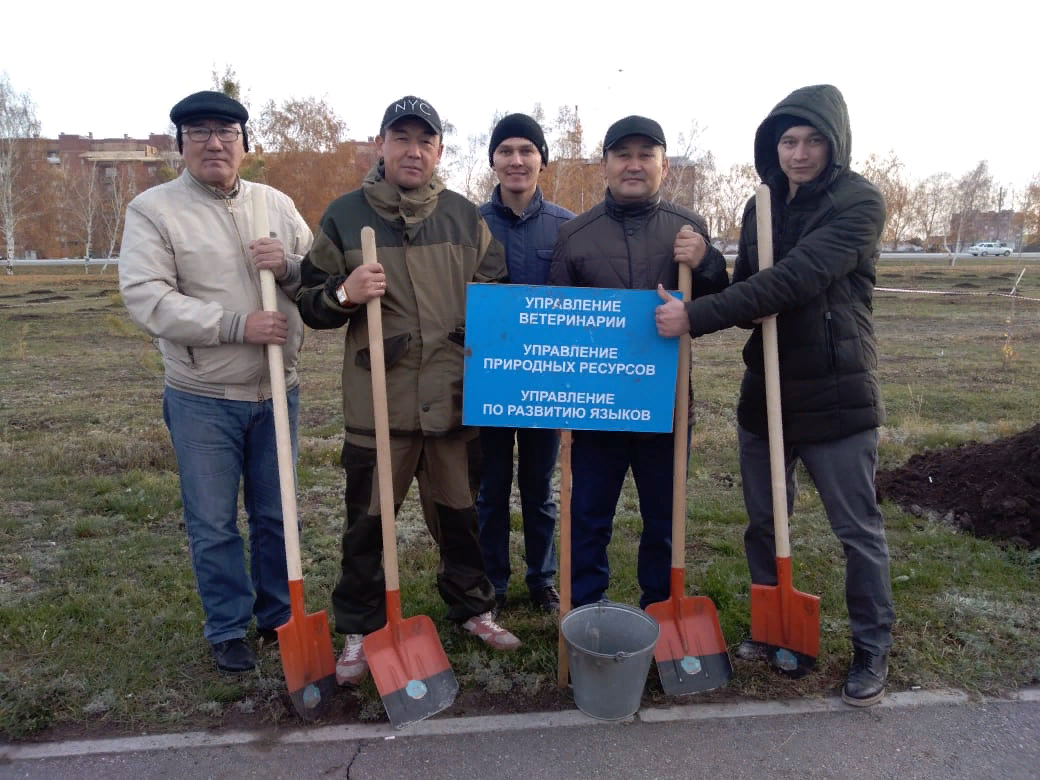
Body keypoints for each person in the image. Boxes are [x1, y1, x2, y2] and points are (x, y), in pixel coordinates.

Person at [654, 84, 894, 707]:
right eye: (788, 140)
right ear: (772, 146)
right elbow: (747, 292)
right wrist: (708, 264)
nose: (799, 153)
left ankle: (873, 646)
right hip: (766, 390)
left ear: (834, 143)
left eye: (813, 140)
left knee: (855, 528)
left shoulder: (860, 203)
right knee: (765, 521)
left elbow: (793, 280)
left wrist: (695, 317)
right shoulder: (759, 204)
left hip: (836, 394)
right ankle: (772, 623)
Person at [294, 95, 521, 688]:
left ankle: (473, 609)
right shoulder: (345, 216)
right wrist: (343, 294)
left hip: (452, 401)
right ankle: (359, 628)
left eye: (425, 140)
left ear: (440, 151)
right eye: (401, 138)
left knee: (461, 517)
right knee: (367, 525)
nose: (412, 150)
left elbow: (494, 294)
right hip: (380, 406)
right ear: (381, 146)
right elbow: (311, 302)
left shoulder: (464, 217)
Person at [119, 90, 313, 673]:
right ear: (182, 144)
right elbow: (147, 296)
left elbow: (314, 274)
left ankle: (279, 616)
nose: (213, 142)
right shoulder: (155, 211)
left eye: (226, 132)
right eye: (199, 132)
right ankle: (227, 626)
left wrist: (289, 267)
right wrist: (236, 324)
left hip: (278, 389)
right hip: (203, 396)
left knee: (277, 514)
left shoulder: (276, 204)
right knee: (213, 520)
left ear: (243, 144)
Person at [549, 115, 729, 610]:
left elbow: (719, 303)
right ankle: (585, 608)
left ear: (663, 165)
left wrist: (708, 261)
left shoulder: (688, 229)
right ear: (604, 165)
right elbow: (557, 323)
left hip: (665, 405)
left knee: (665, 515)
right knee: (587, 515)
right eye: (622, 155)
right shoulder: (576, 236)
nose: (634, 165)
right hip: (596, 409)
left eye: (645, 155)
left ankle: (663, 605)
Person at [476, 114, 575, 617]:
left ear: (542, 158)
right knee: (490, 491)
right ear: (492, 160)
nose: (516, 160)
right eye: (506, 150)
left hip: (545, 385)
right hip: (487, 383)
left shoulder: (566, 226)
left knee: (539, 490)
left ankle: (543, 579)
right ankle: (493, 580)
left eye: (527, 150)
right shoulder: (470, 225)